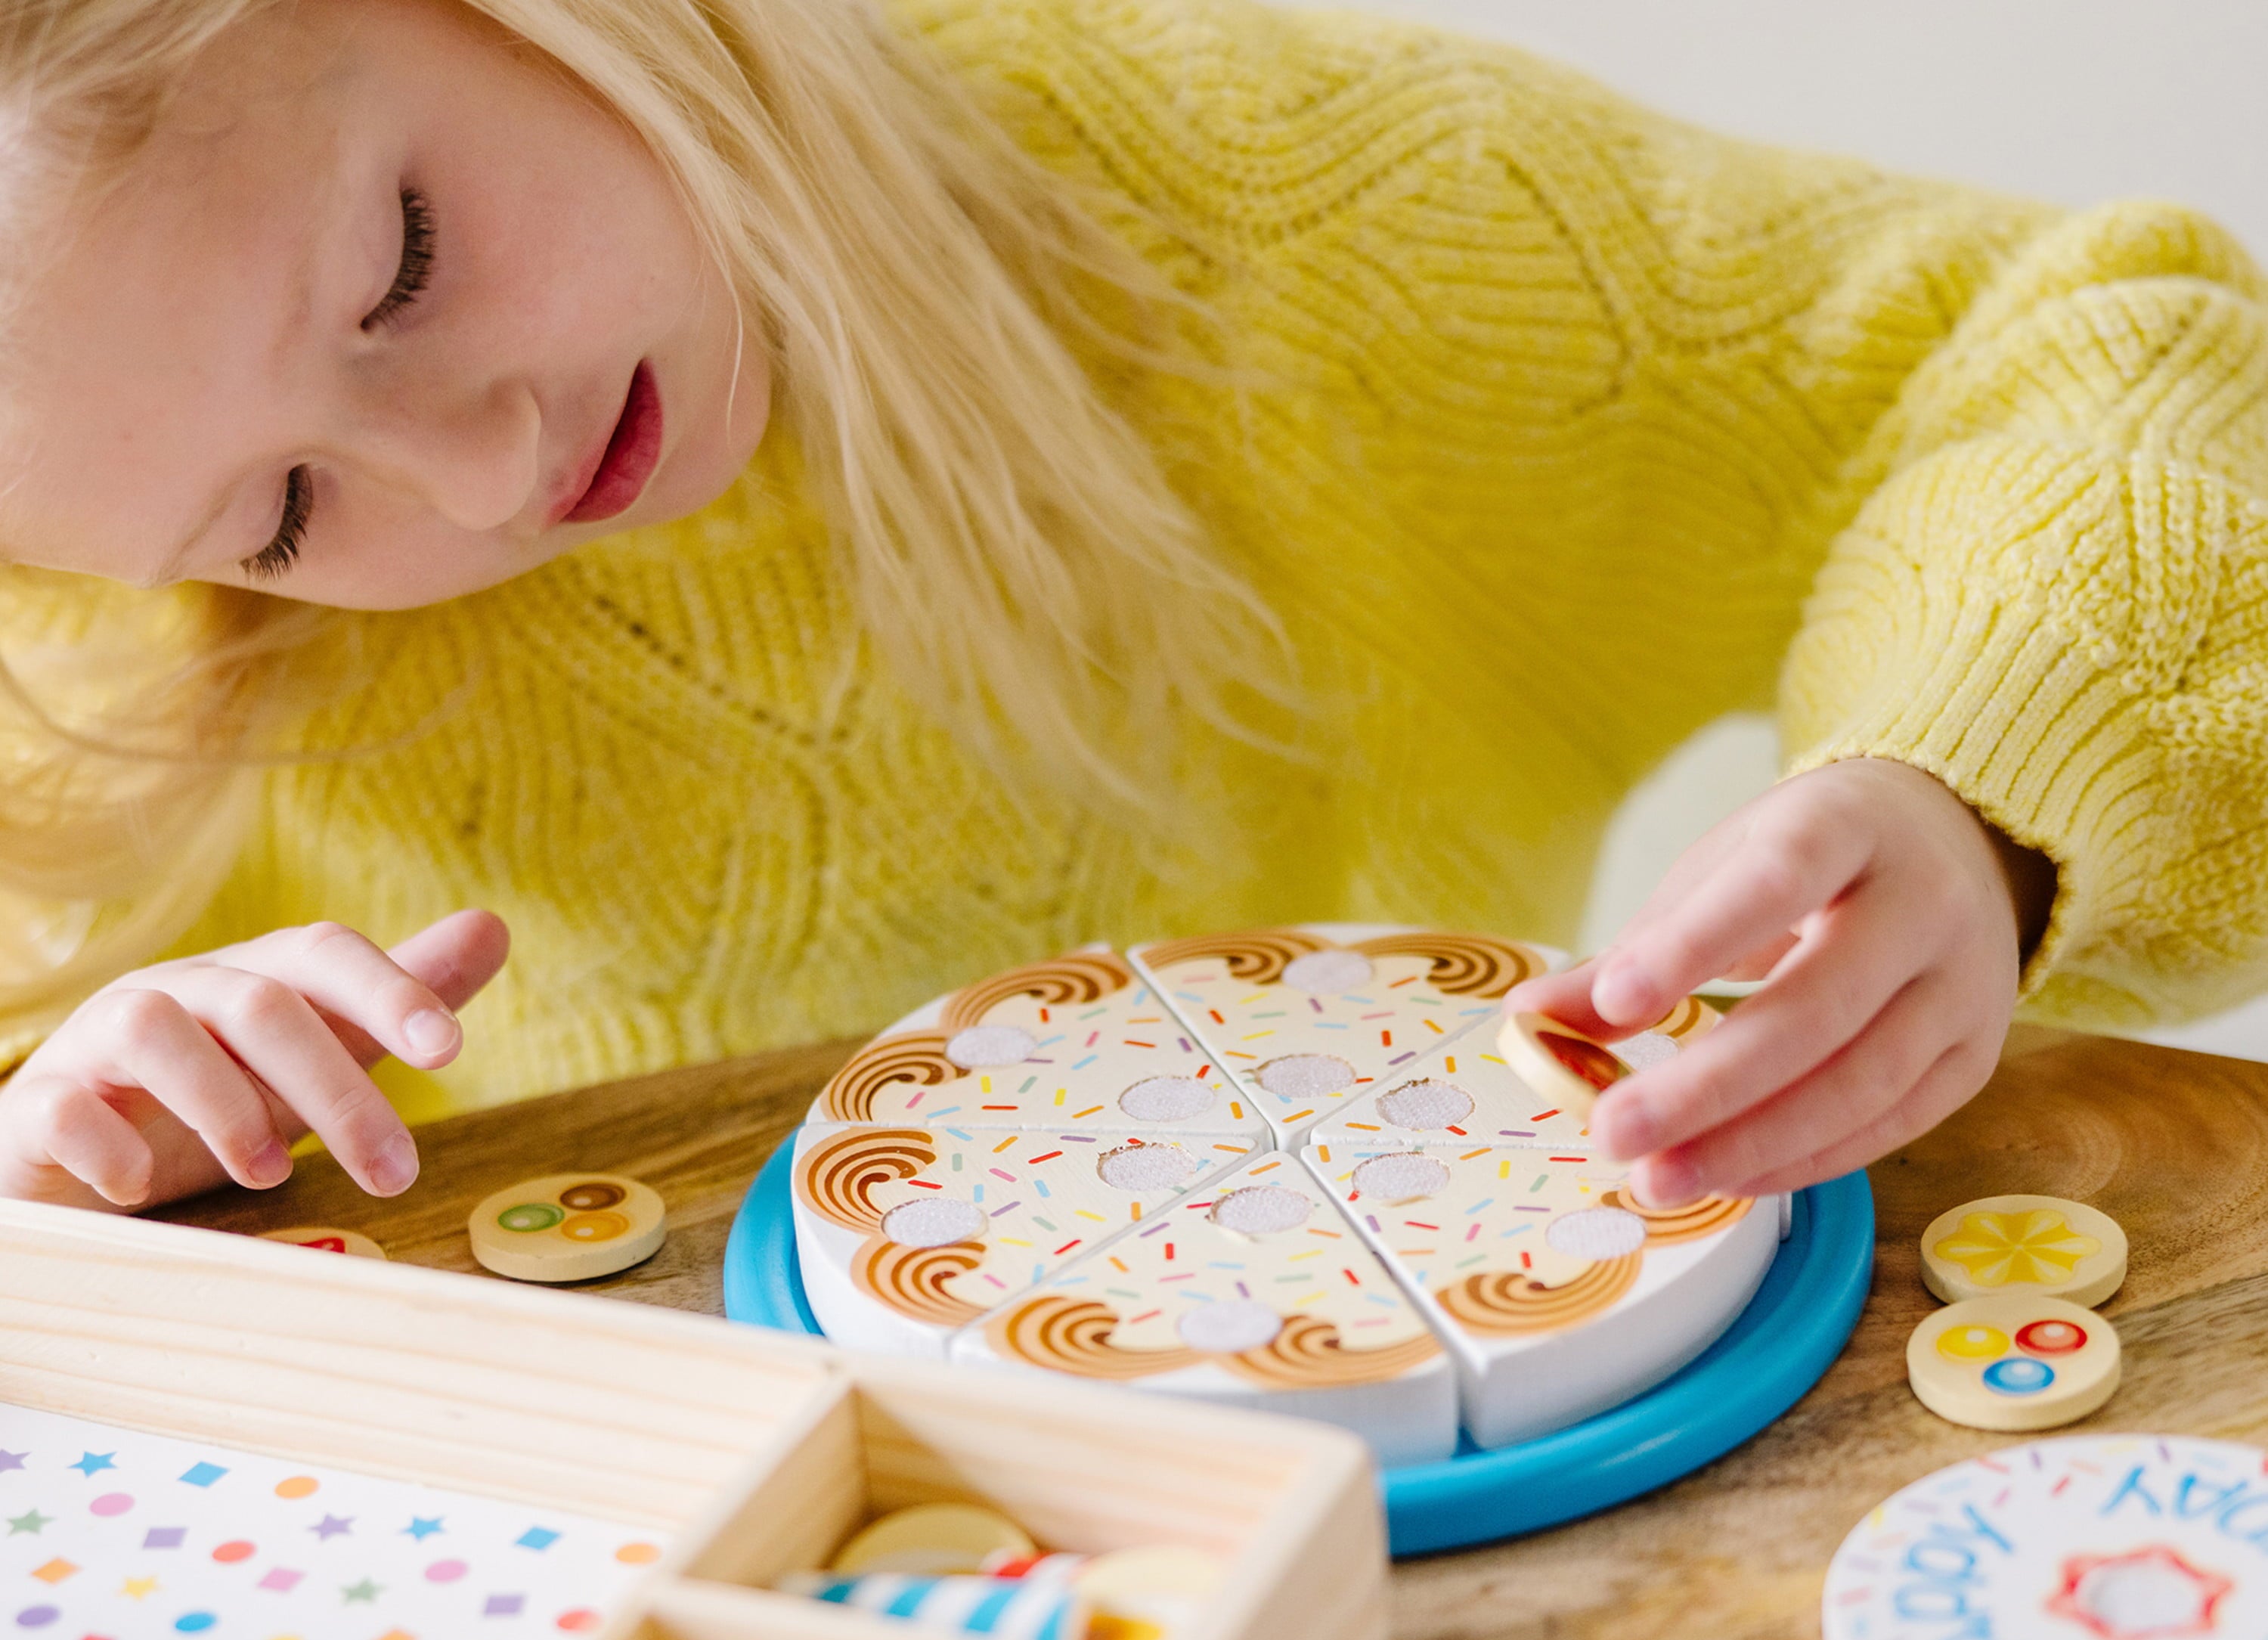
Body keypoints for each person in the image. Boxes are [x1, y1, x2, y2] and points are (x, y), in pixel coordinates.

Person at [0, 0, 2252, 1221]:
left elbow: (2082, 342)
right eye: (283, 510)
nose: (482, 468)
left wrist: (1975, 791)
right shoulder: (105, 623)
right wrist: (73, 1123)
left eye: (404, 262)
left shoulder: (1283, 215)